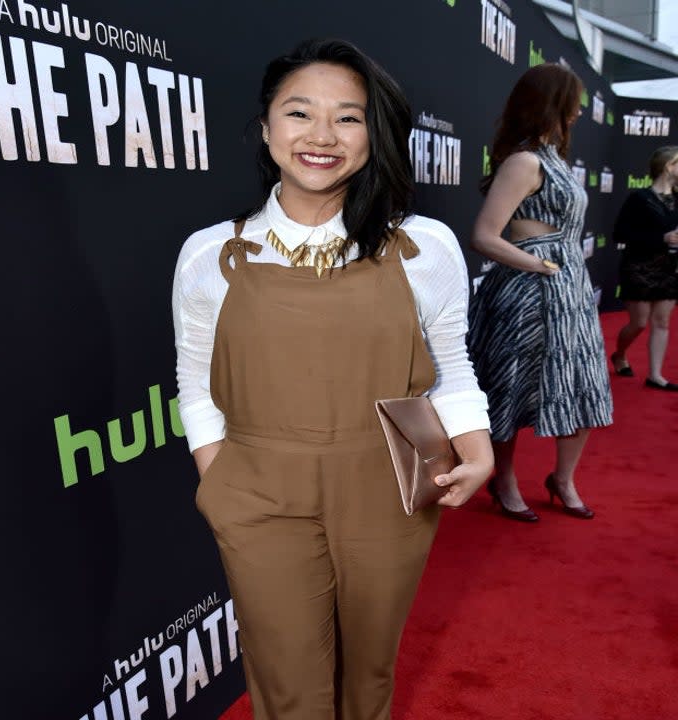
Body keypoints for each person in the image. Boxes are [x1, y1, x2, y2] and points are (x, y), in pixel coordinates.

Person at [171, 38, 493, 720]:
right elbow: (195, 379)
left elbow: (452, 365)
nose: (322, 135)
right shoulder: (210, 253)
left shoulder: (423, 246)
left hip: (389, 484)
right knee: (288, 682)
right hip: (257, 490)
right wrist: (219, 477)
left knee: (369, 673)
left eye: (348, 117)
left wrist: (477, 443)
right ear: (266, 128)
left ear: (372, 135)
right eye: (299, 113)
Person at [467, 63, 612, 523]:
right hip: (528, 292)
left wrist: (560, 270)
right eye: (574, 104)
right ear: (553, 103)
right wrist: (537, 263)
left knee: (585, 386)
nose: (579, 114)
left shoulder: (555, 160)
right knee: (510, 388)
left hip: (569, 292)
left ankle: (563, 479)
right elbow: (486, 236)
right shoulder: (525, 161)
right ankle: (504, 480)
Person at [611, 146, 678, 391]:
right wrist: (661, 238)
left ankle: (656, 376)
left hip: (668, 269)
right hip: (639, 267)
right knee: (639, 323)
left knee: (662, 322)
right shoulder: (639, 198)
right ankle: (619, 354)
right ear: (669, 166)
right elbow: (619, 233)